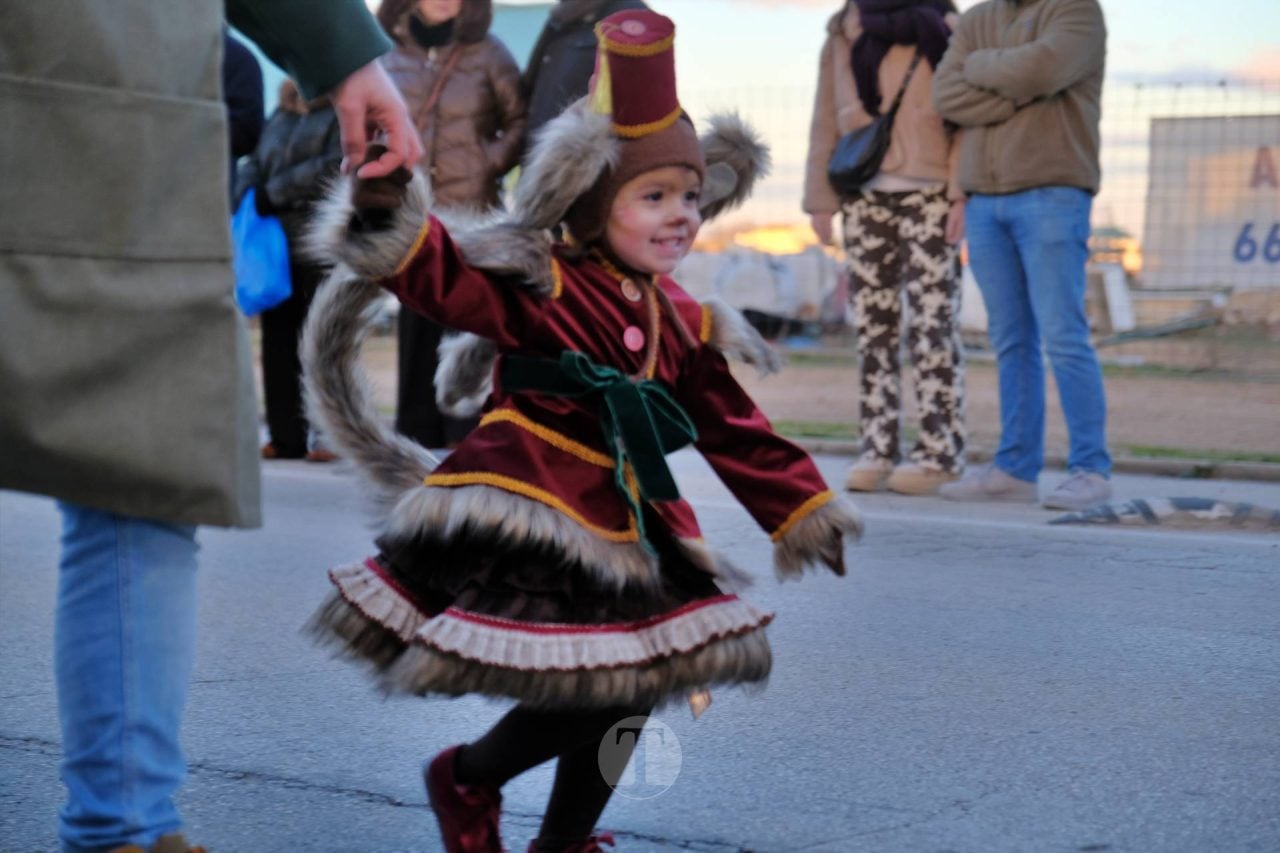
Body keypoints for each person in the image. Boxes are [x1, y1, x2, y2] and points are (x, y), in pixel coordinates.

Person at [302, 11, 863, 852]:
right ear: (594, 203)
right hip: (542, 506)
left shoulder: (683, 314)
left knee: (639, 685)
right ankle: (467, 777)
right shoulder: (543, 280)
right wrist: (386, 200)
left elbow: (735, 426)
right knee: (601, 684)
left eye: (691, 199)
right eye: (655, 196)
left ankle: (562, 838)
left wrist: (801, 508)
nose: (681, 216)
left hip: (638, 520)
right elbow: (446, 279)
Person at [0, 1, 420, 850]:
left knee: (142, 459)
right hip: (101, 88)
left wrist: (338, 52)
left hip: (113, 95)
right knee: (136, 472)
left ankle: (125, 830)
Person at [931, 0, 1111, 510]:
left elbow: (1044, 68)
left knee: (1064, 336)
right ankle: (1015, 468)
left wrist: (982, 68)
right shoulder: (977, 19)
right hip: (985, 202)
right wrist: (1020, 91)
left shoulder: (1078, 11)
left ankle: (1091, 469)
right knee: (1012, 340)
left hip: (1053, 193)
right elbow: (946, 95)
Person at [803, 0, 967, 497]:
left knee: (933, 325)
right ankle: (877, 447)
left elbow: (965, 116)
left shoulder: (947, 26)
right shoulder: (842, 30)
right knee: (873, 328)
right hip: (864, 192)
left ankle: (940, 450)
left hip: (933, 190)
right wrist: (820, 202)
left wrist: (962, 191)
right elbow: (824, 118)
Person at [375, 0, 528, 448]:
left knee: (468, 317)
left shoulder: (490, 52)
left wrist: (489, 163)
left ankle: (468, 431)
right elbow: (369, 123)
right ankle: (417, 432)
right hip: (412, 211)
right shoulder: (386, 54)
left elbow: (519, 120)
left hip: (473, 211)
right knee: (416, 315)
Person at [236, 79, 346, 462]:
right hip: (277, 245)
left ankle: (328, 435)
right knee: (278, 342)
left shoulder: (339, 111)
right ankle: (285, 436)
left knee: (322, 341)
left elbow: (335, 165)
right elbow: (252, 161)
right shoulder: (281, 112)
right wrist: (249, 189)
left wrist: (276, 190)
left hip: (320, 241)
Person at [522, 0, 651, 139]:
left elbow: (645, 109)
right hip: (543, 151)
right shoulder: (560, 17)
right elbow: (528, 87)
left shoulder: (632, 18)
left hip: (589, 154)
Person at [222, 29, 264, 201]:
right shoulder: (282, 114)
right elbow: (259, 160)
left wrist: (270, 195)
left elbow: (248, 133)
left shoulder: (236, 58)